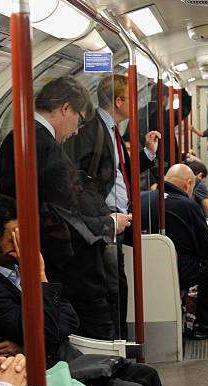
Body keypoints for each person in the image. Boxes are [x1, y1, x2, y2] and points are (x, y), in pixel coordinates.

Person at [0, 195, 166, 386]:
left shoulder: (18, 270)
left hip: (63, 361)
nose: (25, 245)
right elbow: (46, 333)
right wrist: (40, 276)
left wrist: (31, 343)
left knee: (148, 376)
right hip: (35, 382)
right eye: (15, 239)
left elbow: (69, 318)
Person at [0, 76, 130, 341]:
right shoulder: (46, 150)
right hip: (68, 272)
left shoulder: (19, 137)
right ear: (65, 108)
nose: (77, 129)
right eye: (79, 119)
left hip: (51, 262)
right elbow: (62, 220)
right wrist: (108, 224)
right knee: (98, 341)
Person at [64, 73, 160, 339]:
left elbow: (120, 171)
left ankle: (121, 341)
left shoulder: (111, 130)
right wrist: (106, 216)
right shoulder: (92, 131)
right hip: (103, 223)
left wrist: (147, 154)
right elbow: (84, 181)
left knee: (117, 284)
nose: (138, 104)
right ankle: (116, 344)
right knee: (111, 287)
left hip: (115, 220)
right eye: (133, 98)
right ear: (118, 101)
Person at [163, 164, 208, 340]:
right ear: (188, 184)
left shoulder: (144, 198)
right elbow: (205, 249)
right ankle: (203, 323)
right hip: (180, 269)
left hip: (146, 266)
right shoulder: (187, 205)